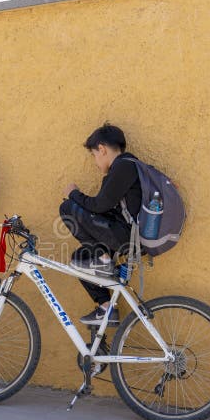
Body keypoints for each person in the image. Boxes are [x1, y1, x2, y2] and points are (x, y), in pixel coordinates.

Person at [59, 123, 142, 326]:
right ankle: (106, 308)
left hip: (126, 236)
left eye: (95, 155)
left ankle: (103, 260)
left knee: (68, 208)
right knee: (80, 259)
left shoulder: (124, 166)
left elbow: (98, 206)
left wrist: (73, 193)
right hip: (121, 234)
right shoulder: (123, 169)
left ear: (102, 149)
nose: (96, 162)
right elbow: (104, 210)